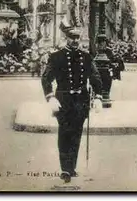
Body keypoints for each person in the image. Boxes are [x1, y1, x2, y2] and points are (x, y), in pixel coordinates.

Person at [41, 21, 103, 183]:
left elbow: (95, 77)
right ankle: (65, 169)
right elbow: (46, 78)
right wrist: (50, 97)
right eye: (72, 37)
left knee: (76, 133)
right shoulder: (56, 57)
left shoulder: (86, 57)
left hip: (81, 101)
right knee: (64, 133)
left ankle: (71, 167)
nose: (75, 40)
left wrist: (98, 96)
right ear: (66, 38)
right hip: (63, 100)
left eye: (77, 37)